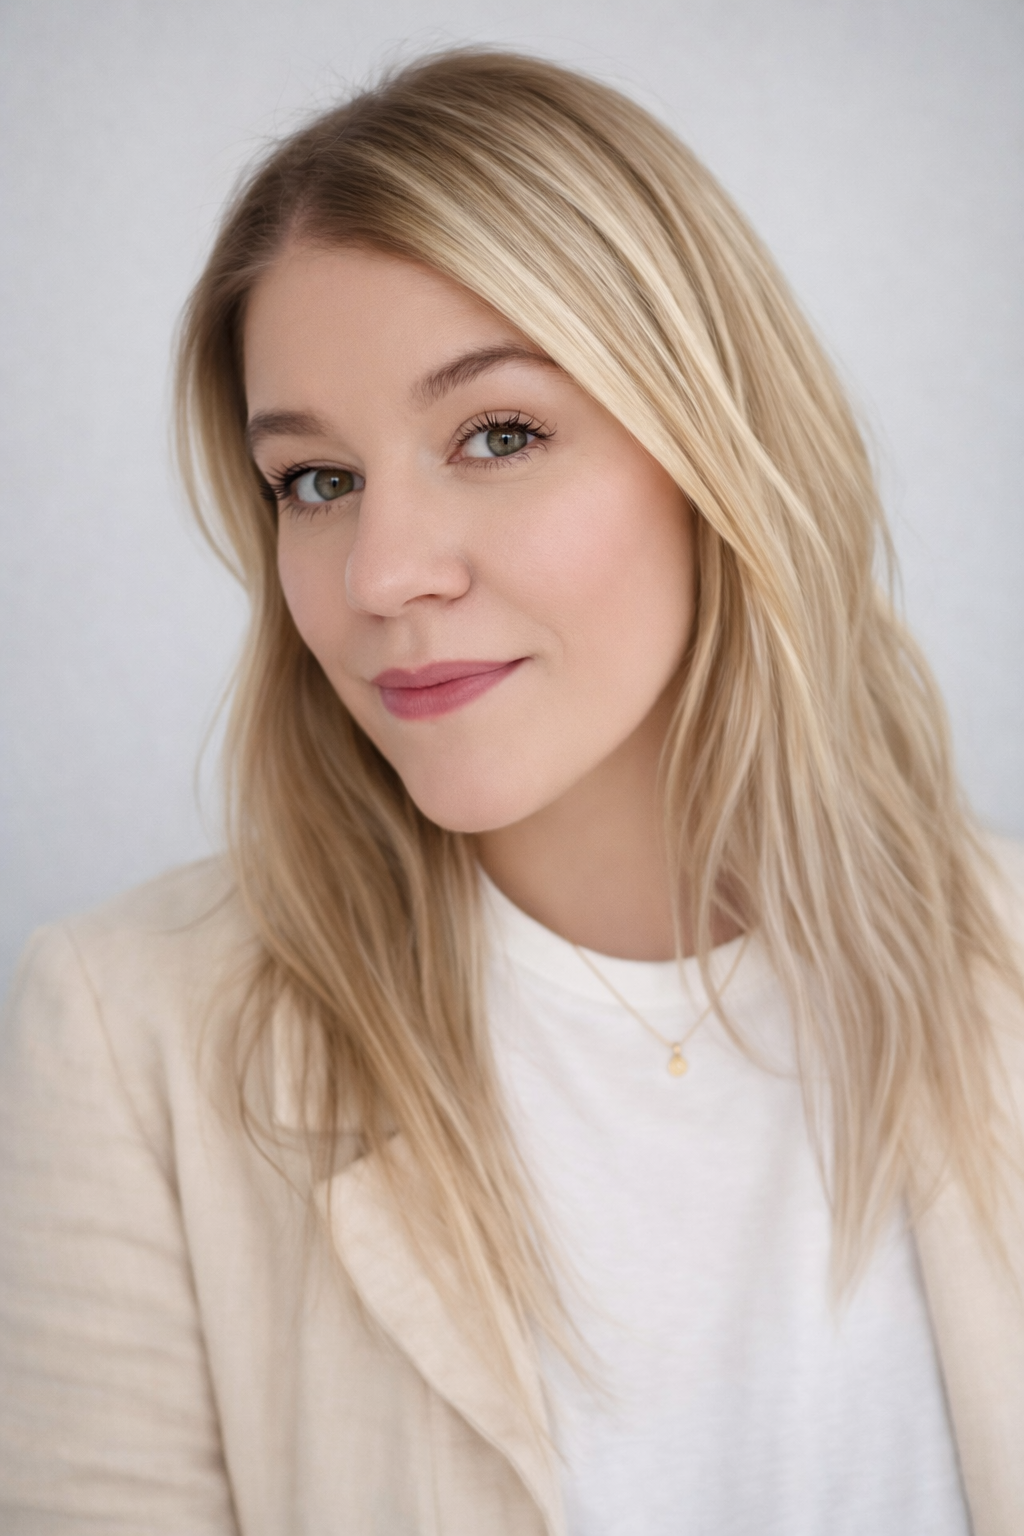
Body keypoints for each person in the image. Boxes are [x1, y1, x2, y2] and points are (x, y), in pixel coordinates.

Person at [1, 47, 1022, 1536]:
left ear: (716, 455)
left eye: (499, 435)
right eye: (317, 480)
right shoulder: (128, 1040)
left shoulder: (1004, 970)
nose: (381, 575)